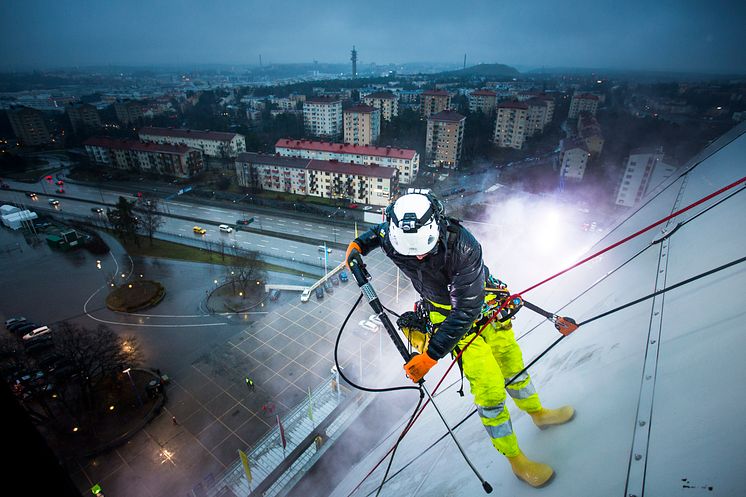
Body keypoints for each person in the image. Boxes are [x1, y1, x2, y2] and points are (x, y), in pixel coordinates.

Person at [346, 189, 575, 488]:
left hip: (478, 306)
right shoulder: (396, 236)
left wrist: (429, 357)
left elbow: (465, 310)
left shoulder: (463, 247)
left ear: (436, 229)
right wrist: (357, 247)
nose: (417, 256)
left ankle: (538, 413)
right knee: (490, 388)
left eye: (423, 250)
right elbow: (376, 234)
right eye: (410, 250)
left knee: (512, 363)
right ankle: (515, 459)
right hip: (444, 314)